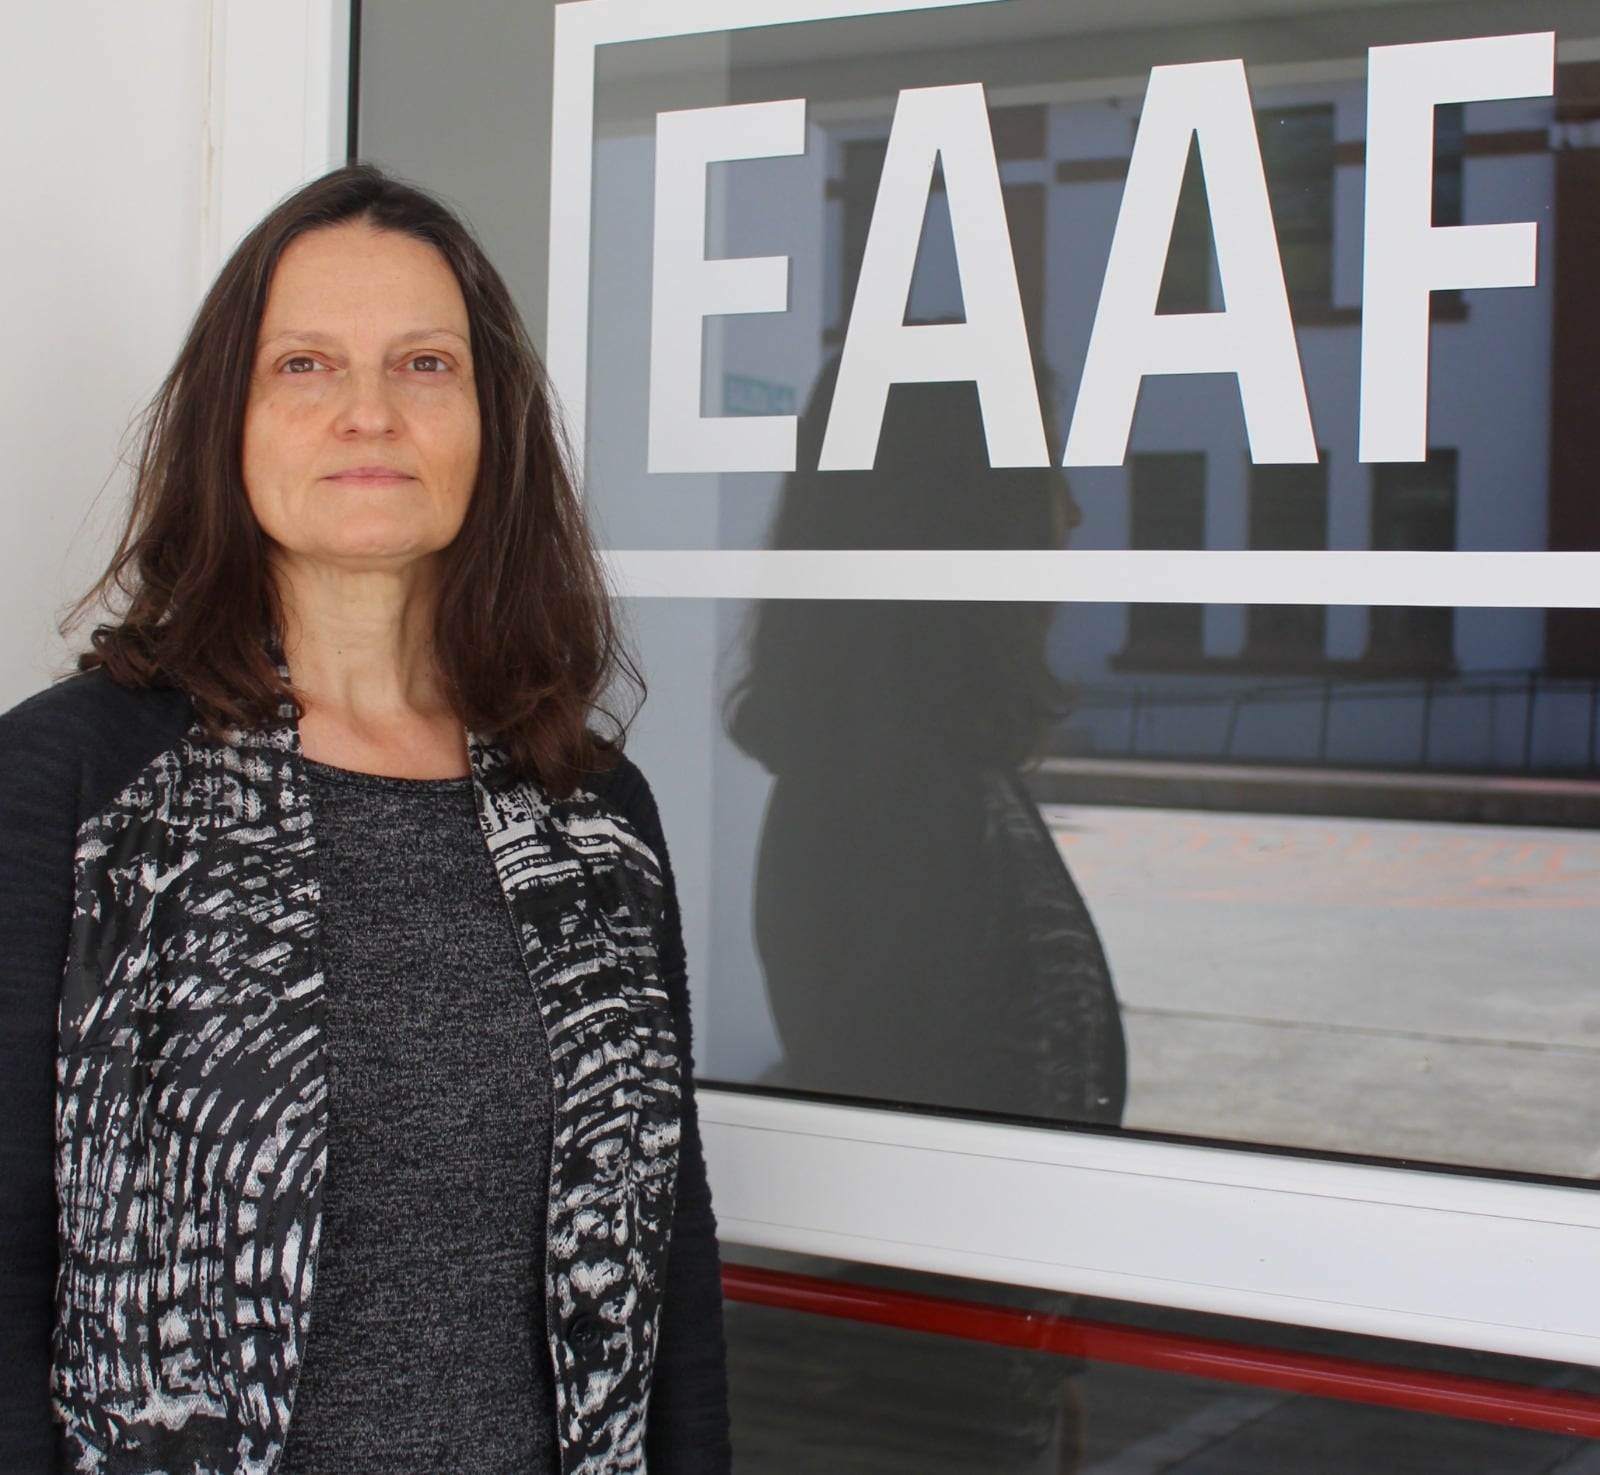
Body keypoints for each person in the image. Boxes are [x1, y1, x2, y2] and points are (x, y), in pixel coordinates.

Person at [0, 164, 730, 1475]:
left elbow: (670, 1276)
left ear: (492, 422)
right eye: (305, 365)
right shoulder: (74, 782)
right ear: (227, 422)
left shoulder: (593, 814)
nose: (369, 412)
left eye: (425, 364)